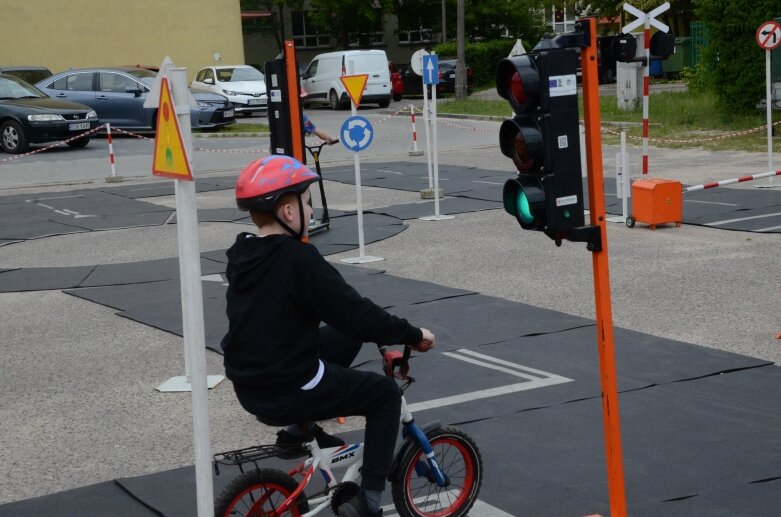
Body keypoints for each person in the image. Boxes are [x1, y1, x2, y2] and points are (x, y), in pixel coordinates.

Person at [221, 154, 435, 517]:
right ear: (288, 212)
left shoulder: (243, 252)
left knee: (344, 334)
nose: (312, 211)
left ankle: (295, 433)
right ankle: (367, 500)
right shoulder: (298, 259)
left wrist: (366, 328)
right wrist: (412, 335)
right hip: (286, 386)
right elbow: (356, 312)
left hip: (250, 382)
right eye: (307, 203)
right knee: (384, 395)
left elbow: (346, 321)